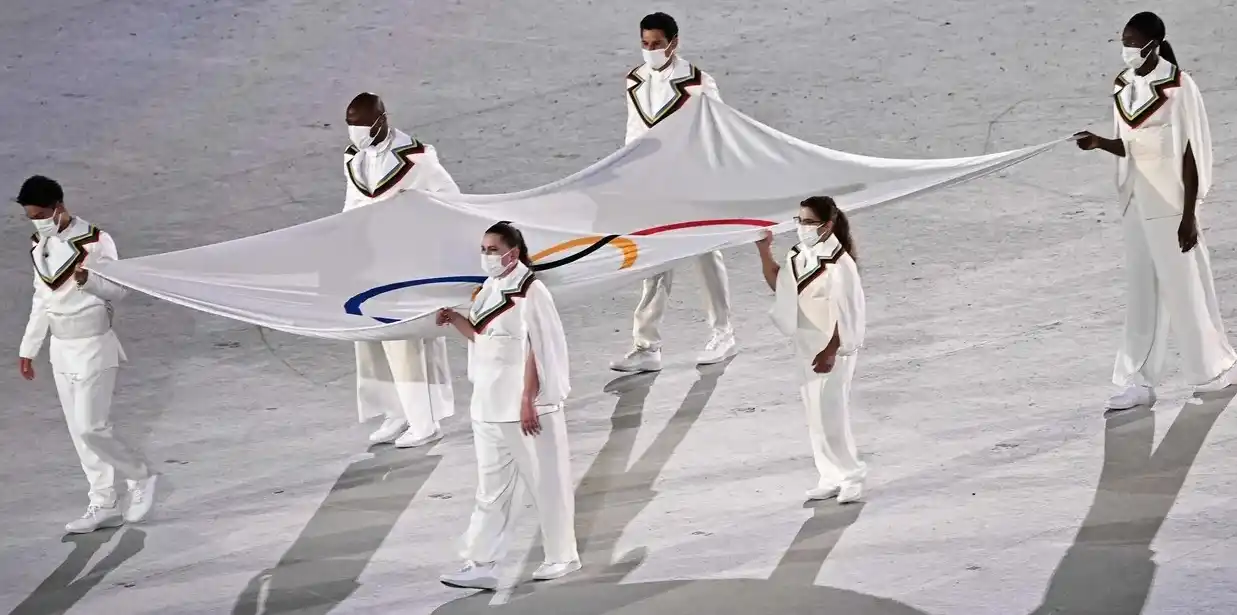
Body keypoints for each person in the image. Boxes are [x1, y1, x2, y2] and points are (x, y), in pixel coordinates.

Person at [1076, 12, 1237, 411]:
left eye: (1133, 41)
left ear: (1154, 42)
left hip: (1171, 203)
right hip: (1136, 201)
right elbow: (1128, 145)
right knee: (1141, 294)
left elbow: (1191, 153)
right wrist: (1099, 143)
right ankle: (1139, 382)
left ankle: (1216, 369)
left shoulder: (1181, 87)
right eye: (1123, 40)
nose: (1126, 48)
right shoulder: (1122, 85)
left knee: (1186, 291)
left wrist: (1189, 214)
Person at [436, 222, 580, 589]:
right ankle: (481, 563)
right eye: (483, 248)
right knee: (492, 488)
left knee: (548, 484)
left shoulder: (532, 291)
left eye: (491, 249)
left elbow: (539, 348)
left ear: (512, 253)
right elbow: (484, 339)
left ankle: (563, 556)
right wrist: (455, 320)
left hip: (524, 408)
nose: (485, 255)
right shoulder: (488, 289)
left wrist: (529, 399)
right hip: (487, 405)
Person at [15, 175, 160, 533]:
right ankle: (103, 501)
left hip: (94, 344)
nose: (36, 221)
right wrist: (29, 347)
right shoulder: (39, 244)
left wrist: (88, 281)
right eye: (31, 215)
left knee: (92, 427)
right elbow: (41, 299)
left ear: (58, 207)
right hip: (60, 349)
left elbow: (121, 289)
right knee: (78, 432)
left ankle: (139, 477)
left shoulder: (96, 240)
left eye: (40, 213)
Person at [610, 12, 737, 373]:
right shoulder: (634, 79)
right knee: (654, 261)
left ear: (674, 43)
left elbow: (718, 130)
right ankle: (646, 344)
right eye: (645, 44)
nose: (650, 51)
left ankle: (723, 331)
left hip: (691, 183)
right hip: (651, 186)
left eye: (657, 44)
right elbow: (634, 131)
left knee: (706, 256)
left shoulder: (698, 82)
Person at [344, 92, 459, 447]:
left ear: (381, 120)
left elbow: (450, 197)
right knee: (372, 340)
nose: (356, 134)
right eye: (351, 127)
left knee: (407, 343)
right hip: (371, 261)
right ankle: (396, 412)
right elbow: (351, 205)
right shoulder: (354, 159)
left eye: (362, 125)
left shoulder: (417, 159)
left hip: (409, 262)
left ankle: (424, 421)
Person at [755, 196, 867, 504]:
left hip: (833, 350)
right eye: (799, 221)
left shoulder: (840, 264)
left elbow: (847, 312)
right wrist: (764, 252)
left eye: (808, 222)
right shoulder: (798, 254)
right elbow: (780, 285)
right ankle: (829, 475)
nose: (802, 227)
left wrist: (831, 350)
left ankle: (851, 475)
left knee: (832, 415)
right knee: (814, 415)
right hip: (805, 345)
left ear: (827, 225)